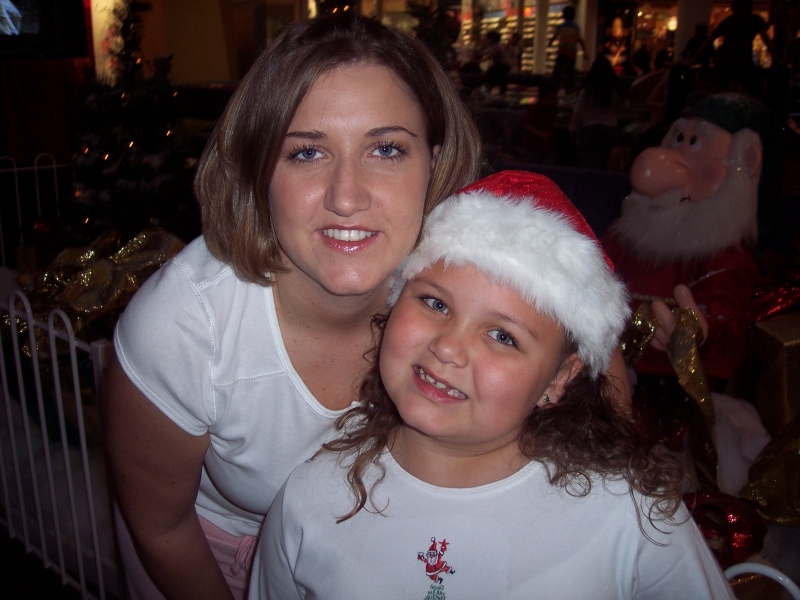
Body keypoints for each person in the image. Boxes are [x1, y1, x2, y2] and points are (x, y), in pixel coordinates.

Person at [103, 14, 484, 600]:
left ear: (433, 160)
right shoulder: (183, 328)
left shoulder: (466, 276)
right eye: (307, 153)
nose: (347, 197)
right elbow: (162, 529)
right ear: (258, 170)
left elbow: (580, 340)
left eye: (386, 149)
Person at [249, 171, 736, 600]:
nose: (448, 348)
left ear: (560, 377)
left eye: (503, 336)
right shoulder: (311, 499)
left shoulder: (630, 518)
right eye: (435, 303)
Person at [691, 0, 777, 96]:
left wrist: (695, 58)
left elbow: (709, 40)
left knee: (722, 90)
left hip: (726, 59)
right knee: (754, 90)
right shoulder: (754, 20)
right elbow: (767, 40)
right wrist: (776, 57)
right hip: (743, 59)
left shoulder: (729, 21)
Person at [570, 56, 622, 169]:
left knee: (591, 163)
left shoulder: (586, 92)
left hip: (590, 129)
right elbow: (619, 109)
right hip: (610, 128)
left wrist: (574, 130)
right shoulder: (614, 91)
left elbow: (578, 111)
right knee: (607, 164)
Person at [549, 5, 586, 90]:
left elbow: (554, 36)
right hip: (572, 52)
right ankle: (572, 85)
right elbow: (580, 40)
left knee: (558, 69)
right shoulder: (576, 28)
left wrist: (549, 43)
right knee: (570, 69)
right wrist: (585, 52)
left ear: (564, 15)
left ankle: (555, 85)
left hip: (562, 51)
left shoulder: (561, 26)